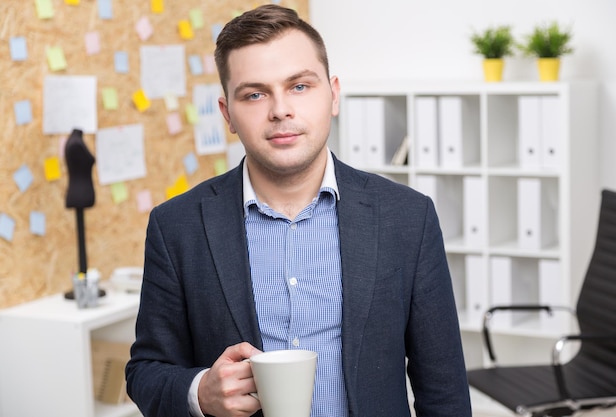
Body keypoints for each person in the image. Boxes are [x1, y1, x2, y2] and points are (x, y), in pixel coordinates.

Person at [125, 4, 472, 417]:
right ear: (227, 114)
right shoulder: (176, 227)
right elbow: (145, 371)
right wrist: (199, 391)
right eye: (254, 94)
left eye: (300, 86)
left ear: (334, 93)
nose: (280, 110)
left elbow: (444, 389)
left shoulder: (408, 218)